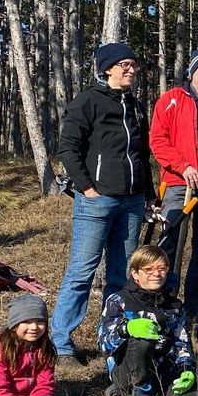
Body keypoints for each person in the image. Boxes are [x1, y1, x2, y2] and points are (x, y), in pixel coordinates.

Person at [51, 42, 154, 364]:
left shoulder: (135, 106)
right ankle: (61, 343)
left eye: (134, 65)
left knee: (121, 275)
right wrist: (87, 187)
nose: (131, 70)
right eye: (125, 65)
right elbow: (68, 148)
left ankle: (111, 336)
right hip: (97, 201)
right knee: (82, 271)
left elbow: (142, 154)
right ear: (108, 68)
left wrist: (148, 196)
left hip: (132, 202)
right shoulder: (88, 101)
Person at [148, 48, 198, 311]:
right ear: (191, 73)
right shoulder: (171, 100)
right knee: (170, 242)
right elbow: (158, 140)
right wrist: (184, 166)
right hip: (179, 184)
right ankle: (162, 301)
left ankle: (193, 306)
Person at [98, 245, 198, 396]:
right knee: (142, 341)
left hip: (161, 369)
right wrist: (125, 330)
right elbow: (103, 345)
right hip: (126, 369)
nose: (156, 274)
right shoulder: (118, 301)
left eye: (162, 268)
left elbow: (182, 343)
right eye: (148, 269)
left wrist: (186, 369)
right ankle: (140, 394)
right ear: (135, 273)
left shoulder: (175, 306)